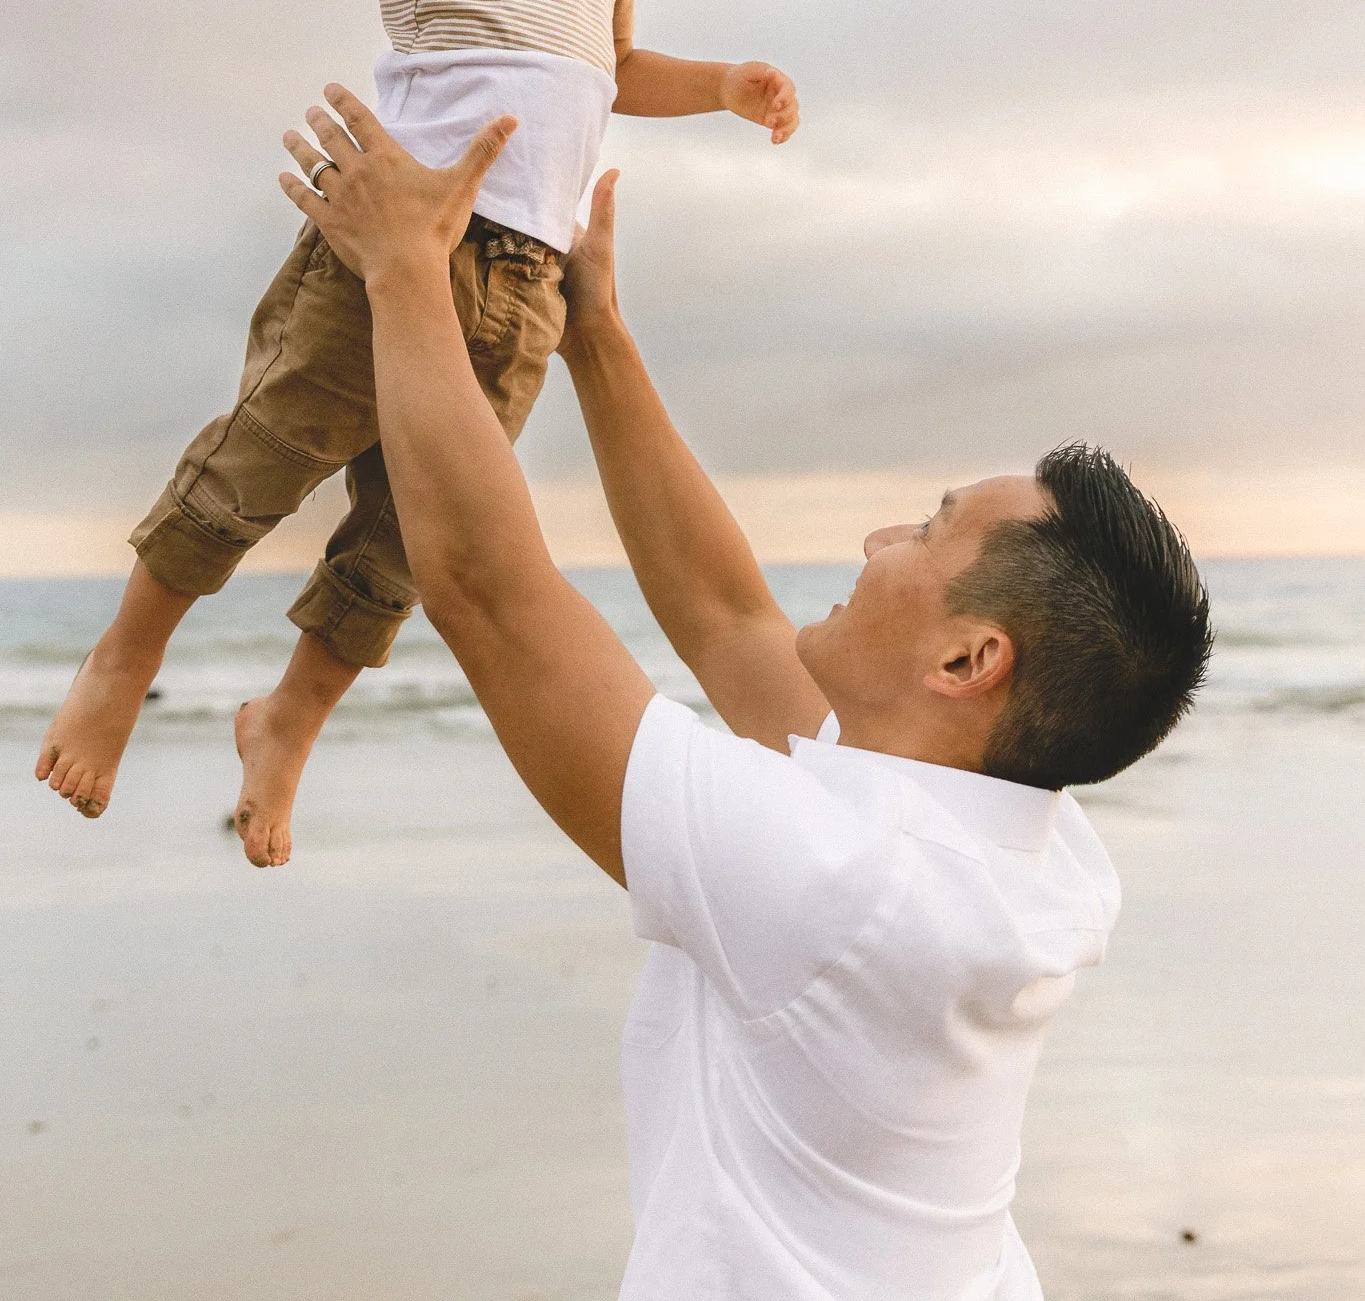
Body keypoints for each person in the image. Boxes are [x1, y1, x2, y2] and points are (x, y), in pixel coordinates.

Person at [266, 87, 1212, 1301]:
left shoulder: (842, 886)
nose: (879, 538)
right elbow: (728, 620)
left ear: (969, 661)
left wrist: (402, 267)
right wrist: (596, 329)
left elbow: (491, 596)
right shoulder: (1032, 843)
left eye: (929, 528)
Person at [35, 0, 799, 863]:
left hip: (527, 282)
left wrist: (717, 86)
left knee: (414, 541)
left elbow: (609, 67)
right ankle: (122, 660)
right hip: (399, 233)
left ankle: (287, 717)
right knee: (259, 457)